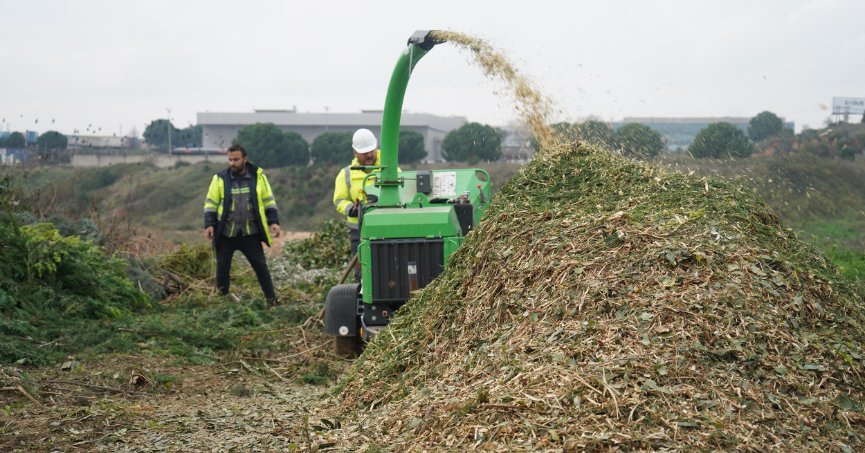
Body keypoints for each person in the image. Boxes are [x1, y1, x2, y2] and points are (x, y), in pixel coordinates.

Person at [204, 144, 281, 305]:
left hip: (250, 234)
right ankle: (222, 303)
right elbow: (211, 203)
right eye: (230, 160)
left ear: (245, 159)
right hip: (226, 234)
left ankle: (272, 301)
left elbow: (268, 201)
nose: (232, 163)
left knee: (261, 268)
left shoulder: (258, 178)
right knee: (222, 270)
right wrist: (209, 224)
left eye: (236, 159)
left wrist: (273, 222)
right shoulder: (219, 179)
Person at [333, 128, 381, 268]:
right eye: (364, 152)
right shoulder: (346, 174)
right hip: (358, 232)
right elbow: (339, 200)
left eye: (371, 151)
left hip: (385, 228)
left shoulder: (391, 170)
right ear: (355, 152)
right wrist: (351, 209)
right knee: (363, 270)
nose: (369, 155)